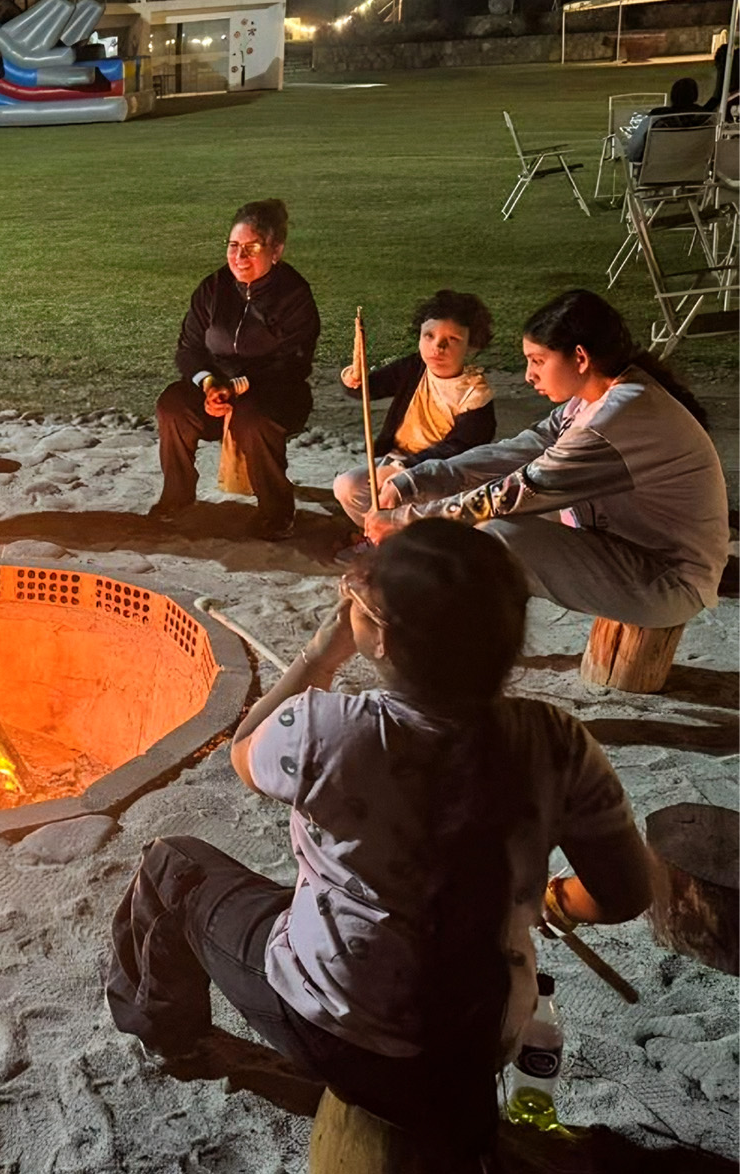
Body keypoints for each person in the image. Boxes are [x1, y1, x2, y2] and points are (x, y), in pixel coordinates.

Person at [108, 519, 651, 1157]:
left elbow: (242, 751)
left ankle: (165, 1034)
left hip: (339, 1029)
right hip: (485, 1036)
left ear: (384, 637)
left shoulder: (331, 730)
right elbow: (624, 893)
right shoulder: (558, 741)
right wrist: (553, 900)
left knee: (173, 864)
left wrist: (321, 655)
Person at [367, 289, 726, 629]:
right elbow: (521, 449)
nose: (529, 375)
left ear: (580, 358)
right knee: (477, 521)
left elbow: (519, 491)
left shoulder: (613, 420)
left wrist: (408, 521)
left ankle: (452, 642)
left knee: (496, 536)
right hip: (622, 546)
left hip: (669, 580)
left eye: (538, 361)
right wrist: (418, 479)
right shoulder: (593, 397)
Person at [151, 199, 321, 540]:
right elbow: (188, 349)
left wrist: (237, 387)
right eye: (233, 246)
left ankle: (277, 510)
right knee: (172, 405)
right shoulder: (213, 288)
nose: (239, 257)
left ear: (276, 250)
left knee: (252, 418)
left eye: (251, 247)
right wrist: (210, 383)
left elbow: (292, 364)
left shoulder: (294, 295)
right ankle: (177, 495)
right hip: (216, 387)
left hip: (274, 391)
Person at [332, 289, 496, 530]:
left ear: (471, 345)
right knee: (348, 486)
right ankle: (376, 532)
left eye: (452, 339)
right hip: (397, 458)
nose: (437, 346)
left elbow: (459, 449)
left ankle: (400, 537)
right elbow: (369, 389)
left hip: (440, 473)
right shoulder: (415, 366)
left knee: (407, 506)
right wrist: (354, 378)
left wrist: (402, 468)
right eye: (429, 335)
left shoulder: (475, 394)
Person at [624, 77, 711, 164]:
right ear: (695, 96)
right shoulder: (706, 120)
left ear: (672, 96)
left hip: (656, 168)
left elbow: (634, 152)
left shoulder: (655, 118)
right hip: (694, 168)